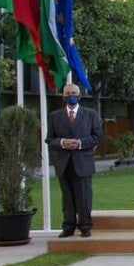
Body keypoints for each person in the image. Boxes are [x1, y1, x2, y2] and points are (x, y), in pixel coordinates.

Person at [46, 83, 102, 237]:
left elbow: (97, 136)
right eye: (67, 93)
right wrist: (63, 142)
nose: (70, 95)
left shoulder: (90, 114)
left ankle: (85, 226)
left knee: (83, 196)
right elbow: (49, 139)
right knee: (67, 197)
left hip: (83, 161)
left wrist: (80, 143)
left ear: (79, 96)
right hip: (63, 163)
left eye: (73, 93)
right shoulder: (55, 116)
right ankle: (68, 227)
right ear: (63, 96)